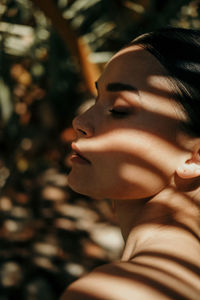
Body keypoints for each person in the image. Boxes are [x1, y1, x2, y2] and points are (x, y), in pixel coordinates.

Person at [61, 27, 200, 300]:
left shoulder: (118, 292)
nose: (81, 122)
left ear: (195, 158)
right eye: (97, 99)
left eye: (118, 110)